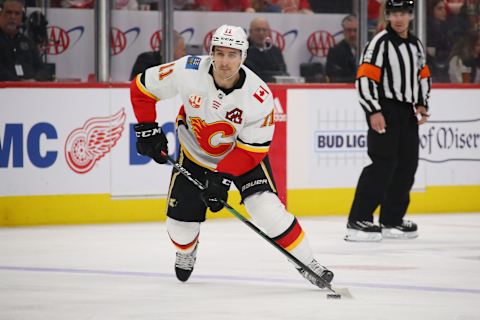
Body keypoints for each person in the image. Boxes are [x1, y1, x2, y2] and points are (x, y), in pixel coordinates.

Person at [130, 24, 334, 288]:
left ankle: (307, 262)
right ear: (211, 52)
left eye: (232, 54)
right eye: (220, 53)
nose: (225, 61)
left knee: (267, 210)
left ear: (243, 57)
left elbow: (251, 151)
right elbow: (142, 88)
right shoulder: (187, 69)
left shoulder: (259, 96)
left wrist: (222, 178)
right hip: (195, 153)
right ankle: (186, 250)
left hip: (241, 155)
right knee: (179, 227)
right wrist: (147, 129)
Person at [345, 0, 431, 242]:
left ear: (411, 15)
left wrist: (422, 103)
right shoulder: (379, 42)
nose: (399, 18)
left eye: (403, 13)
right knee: (382, 164)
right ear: (388, 15)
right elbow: (364, 78)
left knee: (407, 165)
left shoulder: (415, 45)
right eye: (394, 13)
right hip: (385, 108)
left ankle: (391, 219)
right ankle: (358, 219)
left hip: (406, 112)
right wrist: (373, 110)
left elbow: (422, 75)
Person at [0, 0, 50, 81]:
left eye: (17, 14)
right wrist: (18, 82)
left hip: (30, 90)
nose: (13, 17)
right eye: (9, 12)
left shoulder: (28, 42)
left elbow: (43, 69)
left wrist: (35, 80)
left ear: (22, 18)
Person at [244, 17, 288, 83]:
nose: (261, 33)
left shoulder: (275, 50)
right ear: (250, 32)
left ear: (269, 32)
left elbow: (283, 72)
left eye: (264, 30)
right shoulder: (244, 50)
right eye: (258, 30)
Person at [325, 14, 358, 83]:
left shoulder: (369, 48)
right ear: (343, 32)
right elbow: (334, 77)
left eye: (355, 30)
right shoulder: (335, 51)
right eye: (349, 30)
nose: (352, 34)